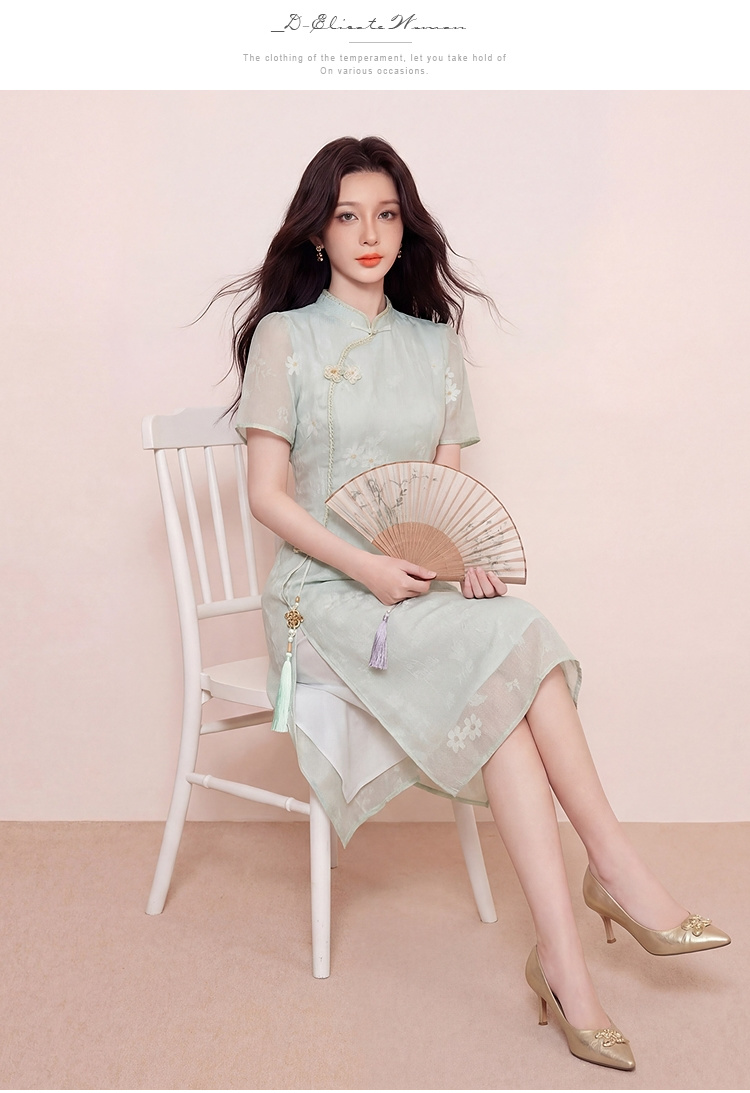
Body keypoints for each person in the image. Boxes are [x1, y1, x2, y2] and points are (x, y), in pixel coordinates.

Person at [220, 136, 730, 1072]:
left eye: (385, 214)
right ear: (318, 233)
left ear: (404, 225)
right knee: (511, 657)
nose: (369, 234)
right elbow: (268, 498)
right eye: (346, 216)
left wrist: (460, 566)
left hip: (414, 594)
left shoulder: (435, 344)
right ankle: (611, 880)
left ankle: (570, 958)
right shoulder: (288, 337)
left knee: (506, 657)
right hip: (318, 599)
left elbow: (437, 499)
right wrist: (367, 568)